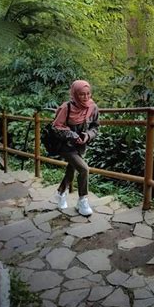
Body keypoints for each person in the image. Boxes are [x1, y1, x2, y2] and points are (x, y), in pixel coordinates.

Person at [53, 80, 99, 216]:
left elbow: (95, 127)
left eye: (88, 94)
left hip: (81, 145)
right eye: (81, 94)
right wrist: (72, 135)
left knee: (72, 168)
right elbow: (56, 127)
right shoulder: (66, 108)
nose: (86, 97)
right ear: (74, 94)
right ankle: (82, 200)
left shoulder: (93, 107)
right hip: (66, 145)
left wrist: (88, 136)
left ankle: (60, 193)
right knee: (84, 169)